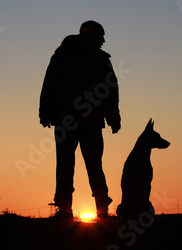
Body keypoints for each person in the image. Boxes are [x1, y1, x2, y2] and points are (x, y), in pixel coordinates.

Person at [39, 20, 121, 219]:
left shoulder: (65, 56)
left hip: (74, 120)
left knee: (74, 165)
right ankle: (90, 208)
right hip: (78, 121)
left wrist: (112, 116)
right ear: (91, 38)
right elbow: (50, 83)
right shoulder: (76, 58)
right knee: (83, 165)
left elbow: (110, 89)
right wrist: (113, 116)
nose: (103, 41)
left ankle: (80, 208)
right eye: (100, 37)